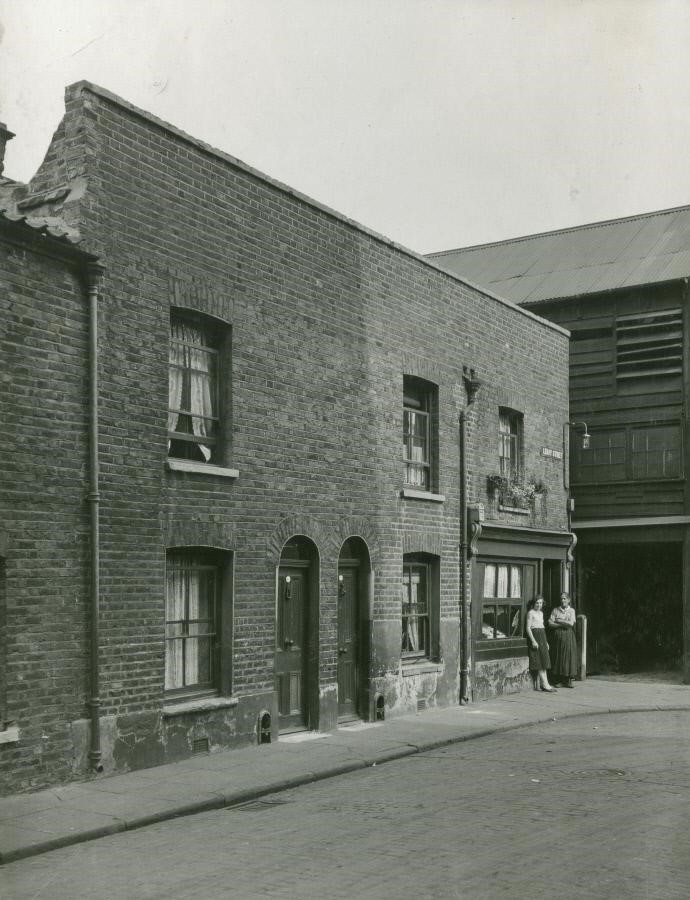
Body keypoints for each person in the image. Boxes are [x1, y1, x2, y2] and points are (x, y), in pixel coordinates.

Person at [525, 596, 557, 692]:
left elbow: (542, 627)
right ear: (533, 603)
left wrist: (546, 641)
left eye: (541, 603)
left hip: (542, 636)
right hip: (535, 636)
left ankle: (545, 684)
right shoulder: (531, 613)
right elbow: (528, 628)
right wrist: (533, 641)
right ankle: (545, 684)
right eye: (537, 603)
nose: (539, 605)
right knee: (539, 661)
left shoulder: (541, 613)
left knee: (544, 661)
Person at [548, 592, 578, 688]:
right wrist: (563, 624)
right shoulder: (555, 610)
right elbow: (550, 623)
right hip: (558, 637)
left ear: (568, 600)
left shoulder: (571, 611)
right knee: (559, 656)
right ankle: (560, 680)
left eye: (564, 599)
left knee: (568, 656)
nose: (562, 600)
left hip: (568, 636)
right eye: (561, 599)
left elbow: (571, 624)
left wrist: (559, 620)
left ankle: (568, 680)